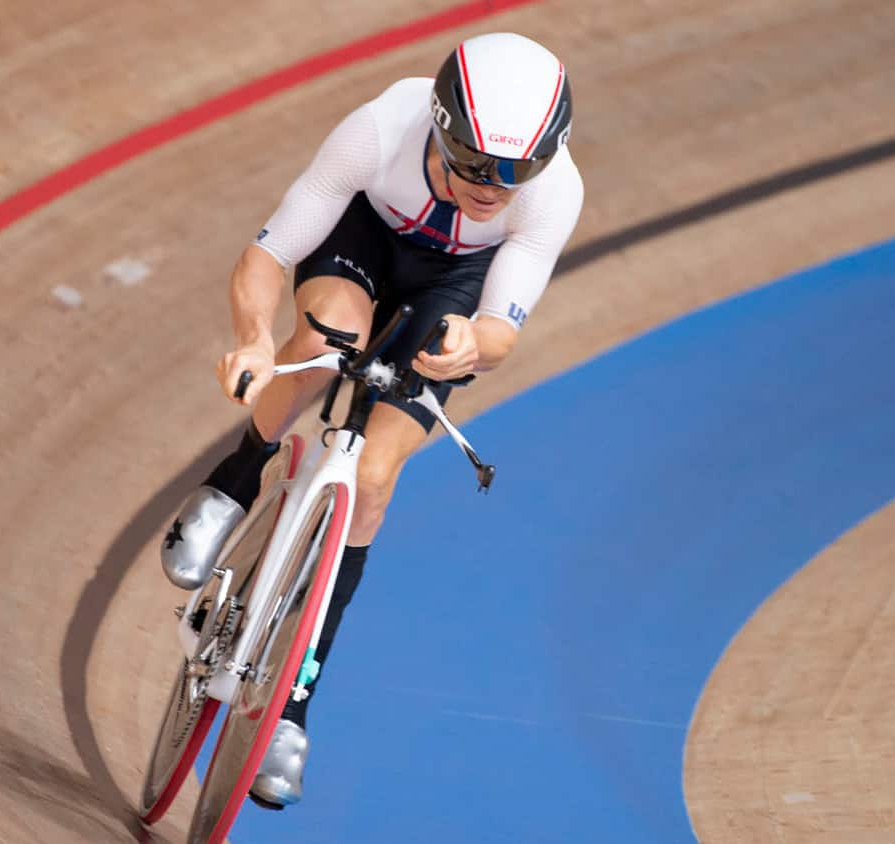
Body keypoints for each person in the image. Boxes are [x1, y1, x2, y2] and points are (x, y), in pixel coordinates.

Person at [161, 31, 582, 807]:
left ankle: (291, 709)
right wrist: (254, 341)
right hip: (364, 242)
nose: (496, 187)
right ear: (442, 127)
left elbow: (501, 328)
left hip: (454, 287)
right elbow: (267, 256)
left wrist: (474, 347)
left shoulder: (553, 193)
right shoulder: (379, 131)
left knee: (377, 480)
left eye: (518, 169)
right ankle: (235, 476)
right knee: (324, 345)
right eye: (477, 163)